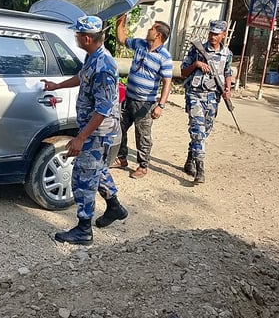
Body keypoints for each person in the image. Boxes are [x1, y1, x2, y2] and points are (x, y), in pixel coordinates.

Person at [41, 15, 127, 245]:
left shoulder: (103, 66)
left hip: (97, 132)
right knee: (97, 170)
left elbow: (103, 108)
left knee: (83, 177)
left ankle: (83, 230)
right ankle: (115, 207)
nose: (76, 37)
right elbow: (82, 77)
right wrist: (57, 85)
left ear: (87, 38)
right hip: (93, 130)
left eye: (78, 34)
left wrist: (81, 137)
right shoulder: (93, 57)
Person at [111, 15, 173, 179]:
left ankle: (143, 166)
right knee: (120, 127)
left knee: (142, 135)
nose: (149, 30)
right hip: (128, 99)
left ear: (158, 35)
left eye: (152, 28)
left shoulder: (164, 57)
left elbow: (167, 82)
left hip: (145, 103)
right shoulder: (141, 44)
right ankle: (122, 158)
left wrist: (161, 105)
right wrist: (120, 21)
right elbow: (122, 39)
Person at [180, 20, 233, 184]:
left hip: (213, 98)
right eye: (211, 33)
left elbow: (227, 72)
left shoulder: (227, 54)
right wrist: (196, 64)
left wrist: (227, 90)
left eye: (217, 34)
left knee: (205, 132)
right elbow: (183, 72)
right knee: (198, 131)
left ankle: (190, 158)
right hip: (195, 95)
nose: (213, 37)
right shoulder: (197, 50)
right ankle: (200, 169)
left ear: (223, 35)